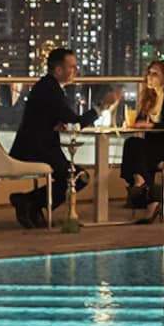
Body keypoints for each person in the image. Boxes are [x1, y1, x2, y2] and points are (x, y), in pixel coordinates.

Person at [9, 47, 116, 228]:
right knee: (78, 177)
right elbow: (77, 122)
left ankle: (32, 205)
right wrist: (102, 106)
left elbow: (60, 118)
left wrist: (62, 122)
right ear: (59, 70)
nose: (76, 71)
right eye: (72, 67)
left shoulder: (46, 86)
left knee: (72, 175)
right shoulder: (51, 89)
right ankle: (29, 202)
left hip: (35, 147)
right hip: (38, 150)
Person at [120, 60, 164, 224]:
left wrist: (151, 124)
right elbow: (139, 120)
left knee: (142, 151)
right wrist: (133, 123)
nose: (149, 77)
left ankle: (142, 190)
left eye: (154, 74)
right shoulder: (149, 97)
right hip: (156, 143)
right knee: (131, 143)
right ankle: (144, 187)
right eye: (149, 73)